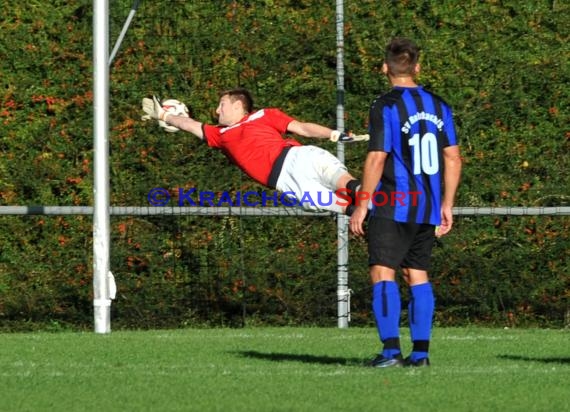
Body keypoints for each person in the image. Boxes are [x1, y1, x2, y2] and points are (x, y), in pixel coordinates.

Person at [349, 37, 462, 367]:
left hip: (394, 203)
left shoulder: (384, 106)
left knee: (382, 272)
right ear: (417, 67)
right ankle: (422, 355)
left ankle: (390, 352)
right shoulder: (440, 105)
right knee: (418, 274)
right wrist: (447, 204)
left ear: (384, 67)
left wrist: (362, 203)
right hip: (427, 206)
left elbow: (376, 158)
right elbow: (453, 159)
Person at [141, 87, 368, 214]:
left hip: (298, 157)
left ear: (238, 105)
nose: (217, 110)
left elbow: (301, 128)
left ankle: (388, 203)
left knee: (348, 184)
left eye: (222, 104)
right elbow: (189, 125)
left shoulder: (264, 115)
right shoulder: (219, 134)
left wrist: (333, 134)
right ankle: (391, 221)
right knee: (350, 209)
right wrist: (164, 115)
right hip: (287, 183)